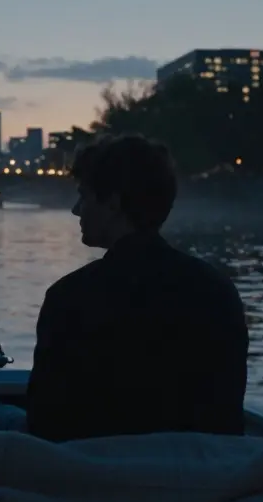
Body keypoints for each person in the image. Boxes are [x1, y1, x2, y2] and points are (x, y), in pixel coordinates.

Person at [26, 135, 249, 441]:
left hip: (95, 465)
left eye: (84, 197)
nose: (76, 210)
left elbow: (44, 423)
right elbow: (228, 419)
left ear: (114, 203)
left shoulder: (68, 298)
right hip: (197, 466)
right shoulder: (219, 292)